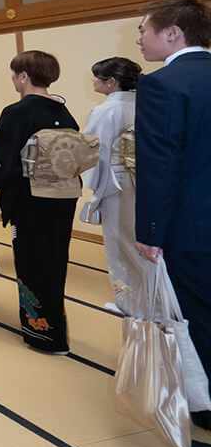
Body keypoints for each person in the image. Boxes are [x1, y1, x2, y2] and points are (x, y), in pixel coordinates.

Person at [134, 0, 211, 426]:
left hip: (192, 228)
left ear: (173, 33)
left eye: (143, 30)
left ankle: (207, 406)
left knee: (198, 317)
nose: (139, 40)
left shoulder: (162, 84)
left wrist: (150, 231)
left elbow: (160, 164)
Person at [0, 50, 79, 354]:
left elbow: (3, 156)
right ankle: (56, 328)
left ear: (23, 76)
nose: (14, 80)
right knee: (55, 260)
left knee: (32, 264)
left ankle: (44, 335)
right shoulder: (63, 110)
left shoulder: (17, 111)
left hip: (31, 198)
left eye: (14, 75)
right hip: (63, 197)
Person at [82, 56, 145, 315]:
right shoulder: (144, 104)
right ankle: (154, 301)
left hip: (117, 183)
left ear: (111, 82)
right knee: (144, 244)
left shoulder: (105, 110)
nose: (93, 80)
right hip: (145, 181)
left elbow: (94, 153)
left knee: (121, 245)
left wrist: (94, 189)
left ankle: (131, 304)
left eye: (97, 76)